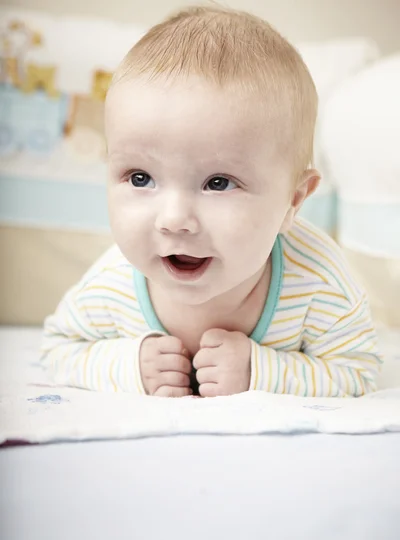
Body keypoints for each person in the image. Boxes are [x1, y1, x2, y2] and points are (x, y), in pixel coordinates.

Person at [40, 5, 381, 398]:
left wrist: (261, 371)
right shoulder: (111, 283)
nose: (173, 220)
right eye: (140, 178)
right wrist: (127, 364)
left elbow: (357, 371)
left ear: (293, 200)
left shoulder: (319, 286)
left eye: (218, 183)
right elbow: (58, 350)